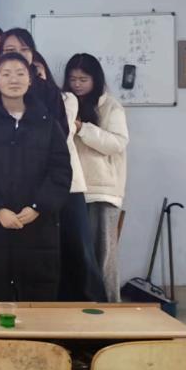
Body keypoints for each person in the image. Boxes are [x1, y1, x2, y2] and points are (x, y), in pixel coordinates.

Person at [0, 53, 72, 301]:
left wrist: (38, 207)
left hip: (37, 224)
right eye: (6, 74)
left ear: (30, 79)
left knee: (37, 296)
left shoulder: (47, 123)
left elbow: (61, 171)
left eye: (20, 73)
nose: (14, 80)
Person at [32, 51, 106, 302]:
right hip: (34, 187)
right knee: (51, 252)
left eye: (36, 70)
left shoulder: (66, 99)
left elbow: (59, 135)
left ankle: (95, 306)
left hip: (70, 184)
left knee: (80, 248)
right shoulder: (15, 103)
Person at [64, 53, 129, 302]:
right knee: (79, 255)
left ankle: (110, 306)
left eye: (83, 79)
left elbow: (117, 143)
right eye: (72, 79)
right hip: (73, 189)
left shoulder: (110, 105)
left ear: (96, 79)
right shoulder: (64, 102)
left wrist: (83, 128)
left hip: (101, 190)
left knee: (103, 256)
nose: (77, 84)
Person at [0, 28, 68, 133]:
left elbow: (61, 131)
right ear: (0, 54)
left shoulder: (48, 90)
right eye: (10, 50)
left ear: (32, 53)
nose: (18, 54)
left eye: (24, 49)